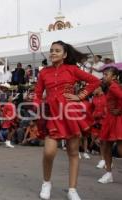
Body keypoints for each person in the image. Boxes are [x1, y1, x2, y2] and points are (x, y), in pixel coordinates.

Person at [34, 41, 100, 200]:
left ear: (64, 54)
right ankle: (47, 182)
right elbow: (37, 94)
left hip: (71, 113)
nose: (53, 53)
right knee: (49, 152)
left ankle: (72, 189)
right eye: (51, 51)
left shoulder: (72, 69)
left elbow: (95, 81)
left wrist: (79, 96)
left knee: (73, 152)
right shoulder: (44, 72)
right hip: (52, 114)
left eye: (57, 51)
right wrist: (38, 108)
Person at [98, 66, 122, 184]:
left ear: (114, 76)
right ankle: (108, 173)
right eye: (104, 74)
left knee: (118, 147)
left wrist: (120, 110)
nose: (104, 76)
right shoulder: (111, 87)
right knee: (106, 146)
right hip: (111, 119)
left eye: (106, 74)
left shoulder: (113, 87)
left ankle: (109, 173)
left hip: (115, 119)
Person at [90, 86, 107, 169]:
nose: (92, 90)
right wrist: (93, 115)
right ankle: (104, 160)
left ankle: (104, 160)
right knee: (96, 139)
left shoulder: (106, 97)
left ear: (99, 88)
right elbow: (92, 108)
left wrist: (102, 115)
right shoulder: (94, 98)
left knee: (103, 141)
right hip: (95, 122)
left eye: (94, 89)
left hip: (104, 122)